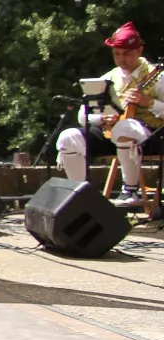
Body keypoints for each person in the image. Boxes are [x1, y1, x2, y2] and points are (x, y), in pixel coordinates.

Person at [57, 22, 162, 206]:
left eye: (127, 53)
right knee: (68, 137)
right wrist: (101, 118)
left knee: (124, 129)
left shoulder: (158, 76)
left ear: (140, 50)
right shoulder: (108, 78)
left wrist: (149, 102)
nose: (122, 59)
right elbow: (84, 116)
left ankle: (130, 191)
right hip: (111, 133)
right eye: (117, 54)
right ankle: (82, 196)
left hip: (151, 135)